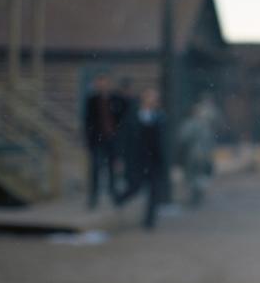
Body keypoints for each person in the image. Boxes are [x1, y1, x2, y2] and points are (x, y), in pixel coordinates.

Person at [116, 88, 166, 229]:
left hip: (154, 160)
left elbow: (161, 141)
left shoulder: (159, 117)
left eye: (156, 99)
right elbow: (124, 138)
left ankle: (149, 221)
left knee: (154, 191)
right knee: (135, 187)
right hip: (137, 160)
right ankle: (119, 199)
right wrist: (120, 157)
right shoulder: (132, 117)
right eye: (152, 98)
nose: (154, 101)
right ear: (144, 99)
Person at [82, 73, 126, 209]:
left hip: (112, 138)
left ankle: (113, 194)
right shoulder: (92, 100)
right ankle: (93, 197)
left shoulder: (116, 98)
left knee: (113, 168)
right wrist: (89, 138)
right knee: (95, 168)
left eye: (105, 82)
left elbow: (122, 115)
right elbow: (88, 121)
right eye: (100, 82)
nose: (102, 85)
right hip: (97, 139)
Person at [177, 97, 219, 207]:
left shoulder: (190, 124)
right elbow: (209, 140)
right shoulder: (204, 125)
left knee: (192, 176)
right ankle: (196, 196)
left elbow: (183, 139)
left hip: (193, 154)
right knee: (198, 176)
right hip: (201, 154)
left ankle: (194, 197)